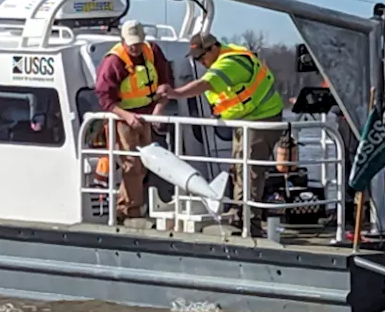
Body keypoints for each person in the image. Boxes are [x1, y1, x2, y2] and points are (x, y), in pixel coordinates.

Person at [158, 33, 285, 235]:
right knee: (238, 168)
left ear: (213, 48)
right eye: (196, 59)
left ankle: (249, 224)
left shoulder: (231, 62)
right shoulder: (221, 59)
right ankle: (238, 214)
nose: (200, 62)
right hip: (244, 120)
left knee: (250, 171)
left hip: (262, 119)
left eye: (201, 57)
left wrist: (175, 93)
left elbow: (205, 85)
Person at [95, 20, 172, 224]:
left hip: (146, 117)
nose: (135, 48)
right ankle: (131, 210)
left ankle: (125, 205)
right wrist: (128, 117)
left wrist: (158, 110)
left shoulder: (152, 52)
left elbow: (165, 81)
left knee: (144, 164)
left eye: (138, 43)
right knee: (131, 165)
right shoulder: (114, 62)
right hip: (122, 118)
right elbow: (105, 99)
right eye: (131, 44)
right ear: (123, 41)